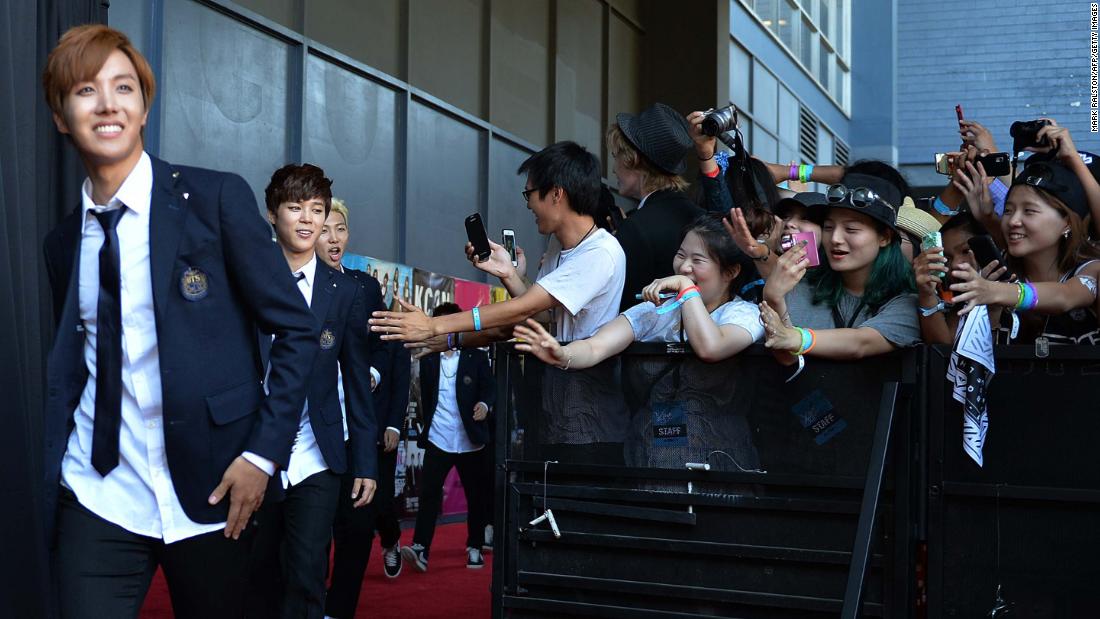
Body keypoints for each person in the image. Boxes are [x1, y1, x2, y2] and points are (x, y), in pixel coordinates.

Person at [41, 25, 318, 618]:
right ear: (62, 117)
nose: (108, 103)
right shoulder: (63, 243)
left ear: (143, 107)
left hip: (219, 484)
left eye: (123, 87)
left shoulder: (214, 200)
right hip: (99, 491)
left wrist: (263, 456)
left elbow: (296, 331)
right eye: (86, 90)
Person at [514, 214, 765, 469]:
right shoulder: (655, 311)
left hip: (720, 460)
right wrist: (562, 355)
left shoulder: (745, 315)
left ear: (731, 272)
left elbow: (711, 347)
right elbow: (596, 346)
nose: (684, 267)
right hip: (651, 458)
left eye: (697, 260)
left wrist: (686, 289)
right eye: (681, 255)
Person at [246, 165, 378, 619]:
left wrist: (365, 460)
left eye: (316, 209)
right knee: (256, 576)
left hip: (315, 454)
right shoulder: (247, 278)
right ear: (271, 214)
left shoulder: (343, 292)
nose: (307, 219)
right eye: (295, 207)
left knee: (306, 577)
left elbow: (357, 381)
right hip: (252, 451)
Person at [320, 200, 412, 619]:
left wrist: (370, 376)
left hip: (359, 433)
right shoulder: (295, 287)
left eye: (340, 229)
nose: (333, 238)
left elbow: (383, 348)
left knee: (357, 531)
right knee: (312, 537)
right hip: (312, 440)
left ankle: (338, 610)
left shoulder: (364, 287)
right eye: (325, 230)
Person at [760, 172, 921, 363]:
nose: (835, 239)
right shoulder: (802, 286)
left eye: (851, 229)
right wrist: (773, 298)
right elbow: (787, 359)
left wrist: (798, 338)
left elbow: (861, 343)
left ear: (884, 237)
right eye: (828, 227)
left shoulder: (909, 300)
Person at [949, 160, 1100, 345]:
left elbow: (1065, 296)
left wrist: (994, 291)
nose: (1013, 221)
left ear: (1066, 223)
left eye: (1029, 211)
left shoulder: (1091, 270)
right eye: (1008, 210)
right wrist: (992, 311)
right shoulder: (995, 270)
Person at [401, 303, 497, 573]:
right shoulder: (429, 360)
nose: (442, 331)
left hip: (471, 439)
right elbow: (427, 398)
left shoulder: (476, 357)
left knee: (475, 497)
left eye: (448, 325)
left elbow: (490, 388)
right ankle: (420, 548)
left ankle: (475, 546)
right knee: (429, 494)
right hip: (438, 438)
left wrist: (484, 406)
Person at [609, 102, 705, 311]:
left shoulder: (636, 227)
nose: (614, 168)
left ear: (633, 160)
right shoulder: (701, 217)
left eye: (616, 156)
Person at [912, 211, 991, 344]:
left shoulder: (1013, 290)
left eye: (965, 251)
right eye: (947, 257)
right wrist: (927, 294)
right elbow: (944, 350)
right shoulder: (952, 303)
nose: (954, 264)